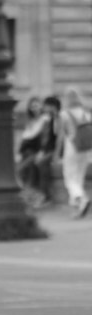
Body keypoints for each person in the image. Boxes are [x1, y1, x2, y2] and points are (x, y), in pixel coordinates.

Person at [57, 86, 92, 217]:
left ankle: (81, 199)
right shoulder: (86, 112)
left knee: (69, 177)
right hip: (86, 148)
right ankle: (78, 206)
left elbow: (60, 136)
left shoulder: (64, 114)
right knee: (79, 176)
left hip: (71, 147)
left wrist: (56, 153)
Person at [17, 97, 53, 207]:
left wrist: (41, 151)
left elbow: (45, 138)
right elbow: (25, 139)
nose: (34, 108)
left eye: (36, 105)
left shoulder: (45, 119)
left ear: (41, 106)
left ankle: (39, 196)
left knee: (23, 169)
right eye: (32, 106)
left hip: (37, 152)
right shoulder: (31, 121)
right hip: (28, 153)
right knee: (27, 170)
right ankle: (31, 196)